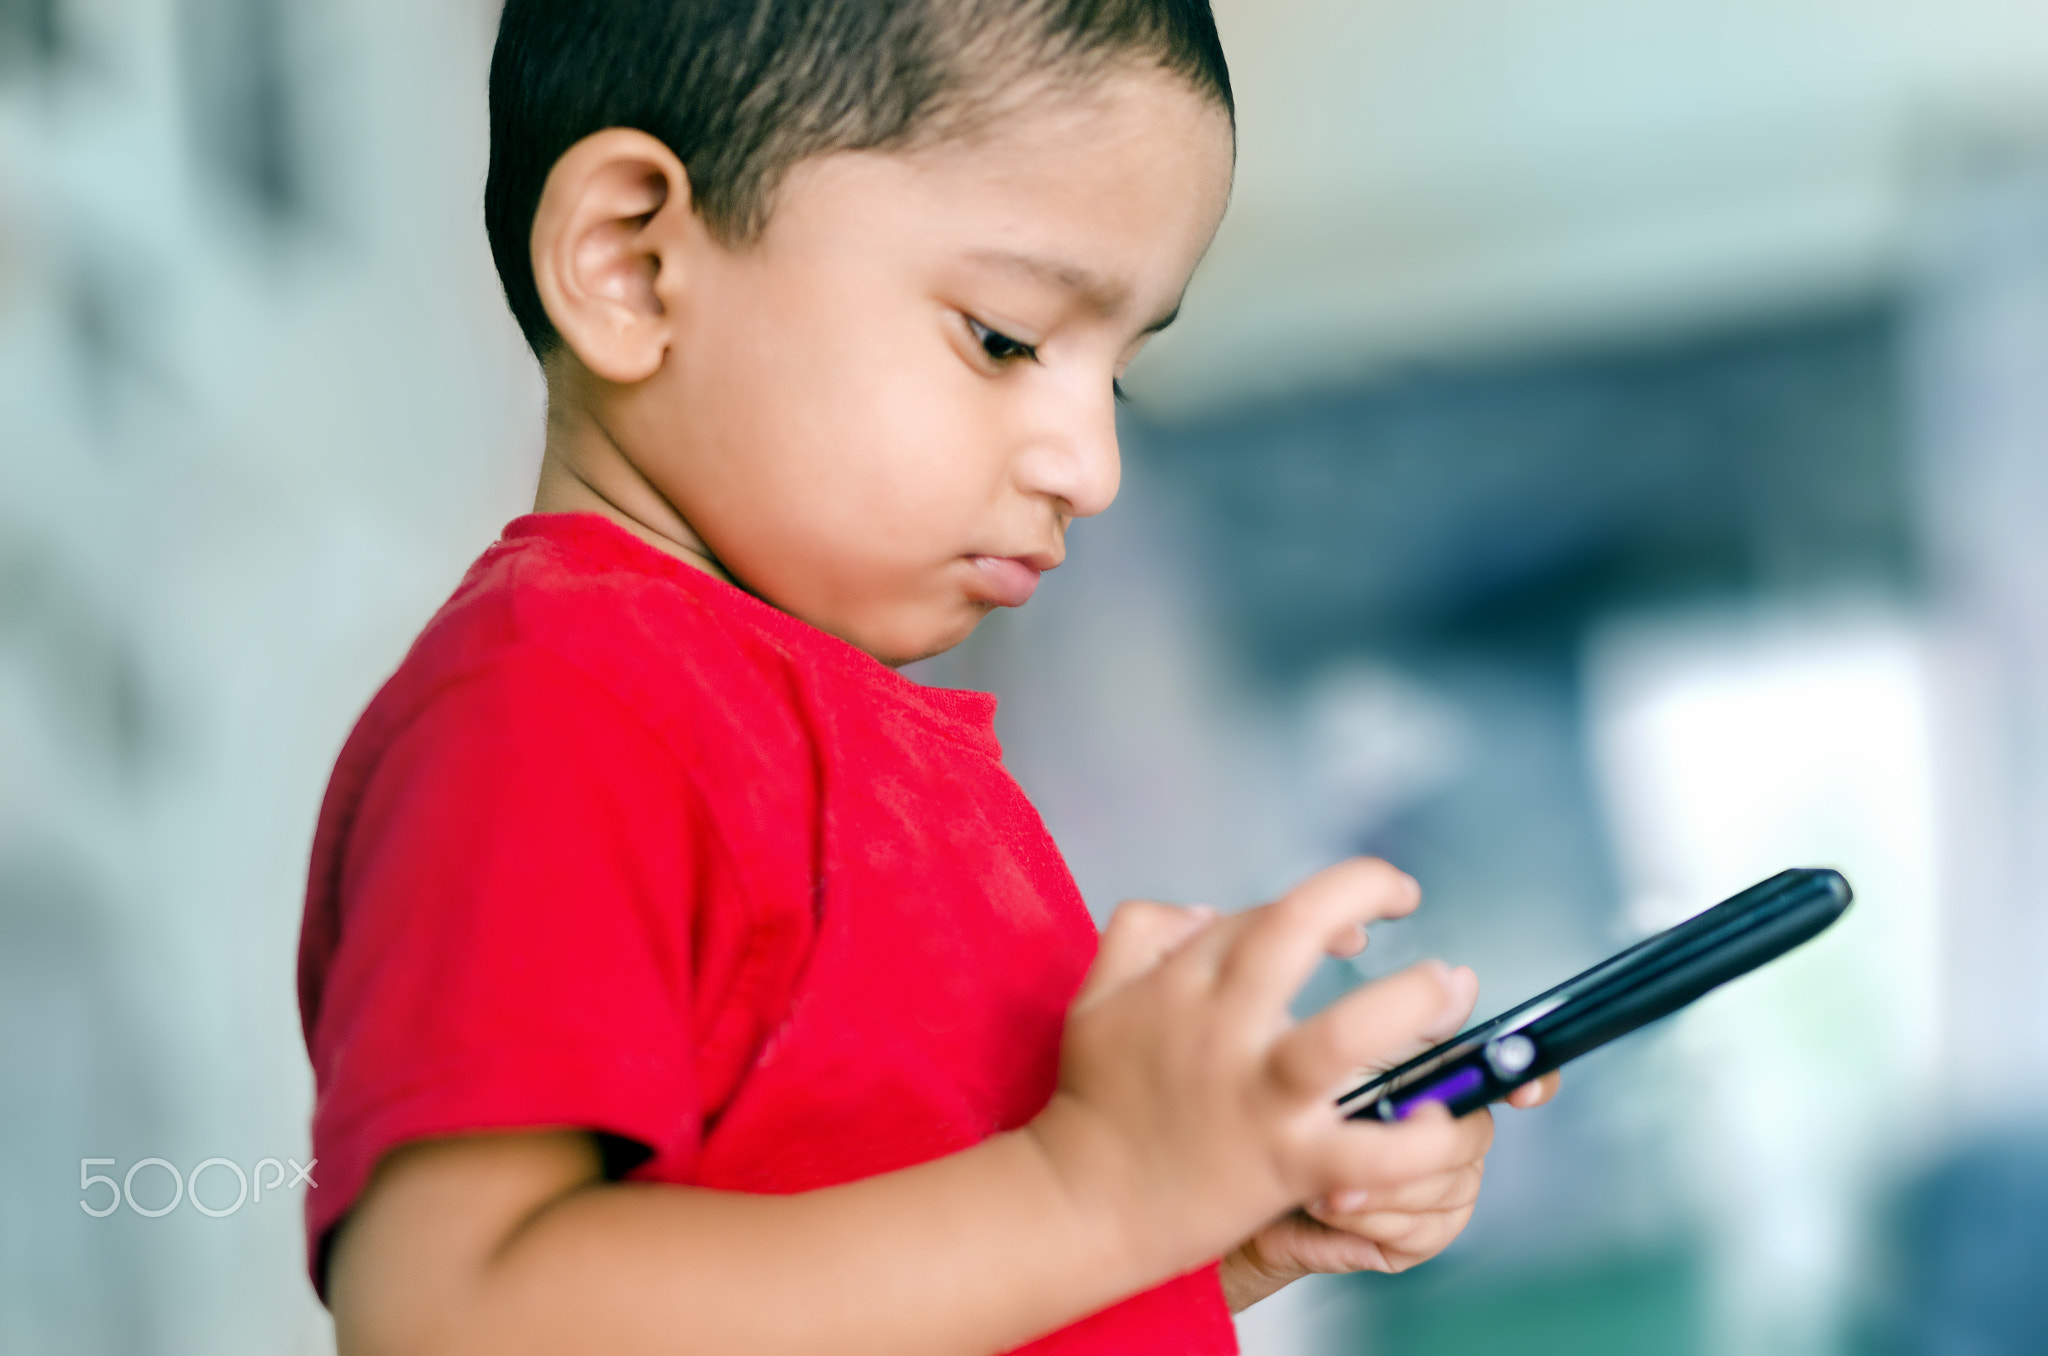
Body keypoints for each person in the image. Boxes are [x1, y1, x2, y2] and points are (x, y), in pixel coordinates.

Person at [295, 2, 1558, 1352]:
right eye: (1007, 340)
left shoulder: (835, 735)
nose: (1092, 465)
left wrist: (1209, 1215)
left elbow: (883, 1261)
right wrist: (1098, 1193)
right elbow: (458, 1312)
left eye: (1114, 383)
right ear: (632, 264)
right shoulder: (560, 709)